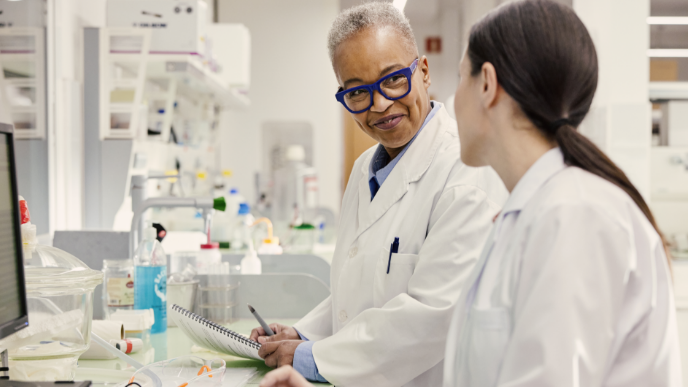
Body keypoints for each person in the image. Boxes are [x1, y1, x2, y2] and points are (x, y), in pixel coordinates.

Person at [250, 2, 507, 386]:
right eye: (357, 92)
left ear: (422, 71)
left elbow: (433, 314)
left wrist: (312, 358)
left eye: (393, 80)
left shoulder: (466, 170)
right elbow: (357, 293)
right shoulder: (364, 168)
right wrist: (303, 335)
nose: (381, 104)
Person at [443, 0, 682, 386]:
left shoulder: (575, 215)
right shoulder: (539, 210)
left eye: (459, 79)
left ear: (486, 83)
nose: (451, 102)